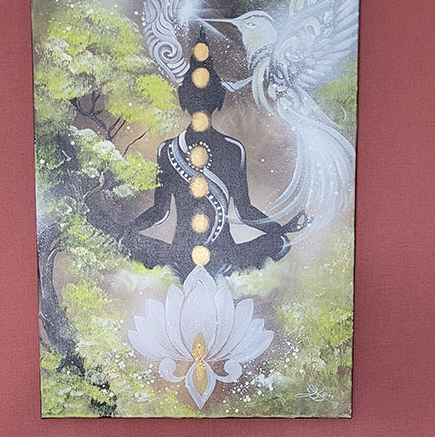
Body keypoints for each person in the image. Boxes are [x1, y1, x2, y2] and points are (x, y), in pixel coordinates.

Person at [122, 30, 304, 281]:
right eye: (195, 95)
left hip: (224, 254)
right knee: (127, 242)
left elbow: (245, 211)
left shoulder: (232, 149)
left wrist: (279, 229)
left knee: (279, 242)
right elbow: (160, 211)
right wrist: (128, 231)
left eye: (205, 95)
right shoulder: (169, 150)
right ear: (184, 98)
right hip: (182, 254)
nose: (200, 102)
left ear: (218, 99)